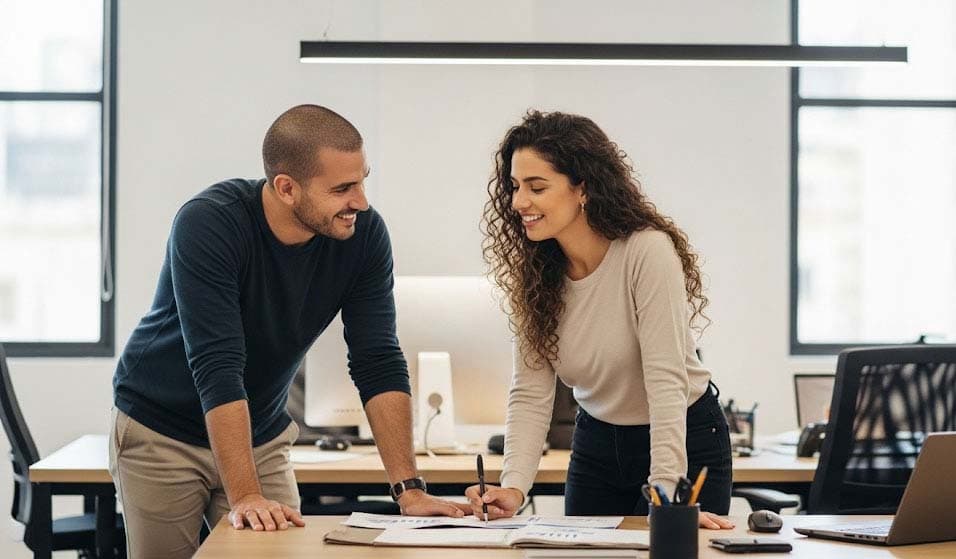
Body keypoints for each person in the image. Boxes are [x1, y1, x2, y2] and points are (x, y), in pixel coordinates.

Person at [110, 104, 464, 558]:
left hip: (259, 433)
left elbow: (377, 359)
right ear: (286, 188)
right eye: (342, 188)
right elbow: (218, 366)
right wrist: (244, 497)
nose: (361, 201)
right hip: (161, 431)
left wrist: (409, 491)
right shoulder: (209, 223)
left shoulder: (363, 236)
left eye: (362, 180)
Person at [465, 110, 735, 529]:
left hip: (684, 437)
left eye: (537, 187)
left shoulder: (646, 252)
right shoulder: (538, 274)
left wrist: (668, 494)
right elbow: (531, 390)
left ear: (583, 189)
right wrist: (514, 487)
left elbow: (666, 381)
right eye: (515, 187)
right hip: (597, 441)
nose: (519, 202)